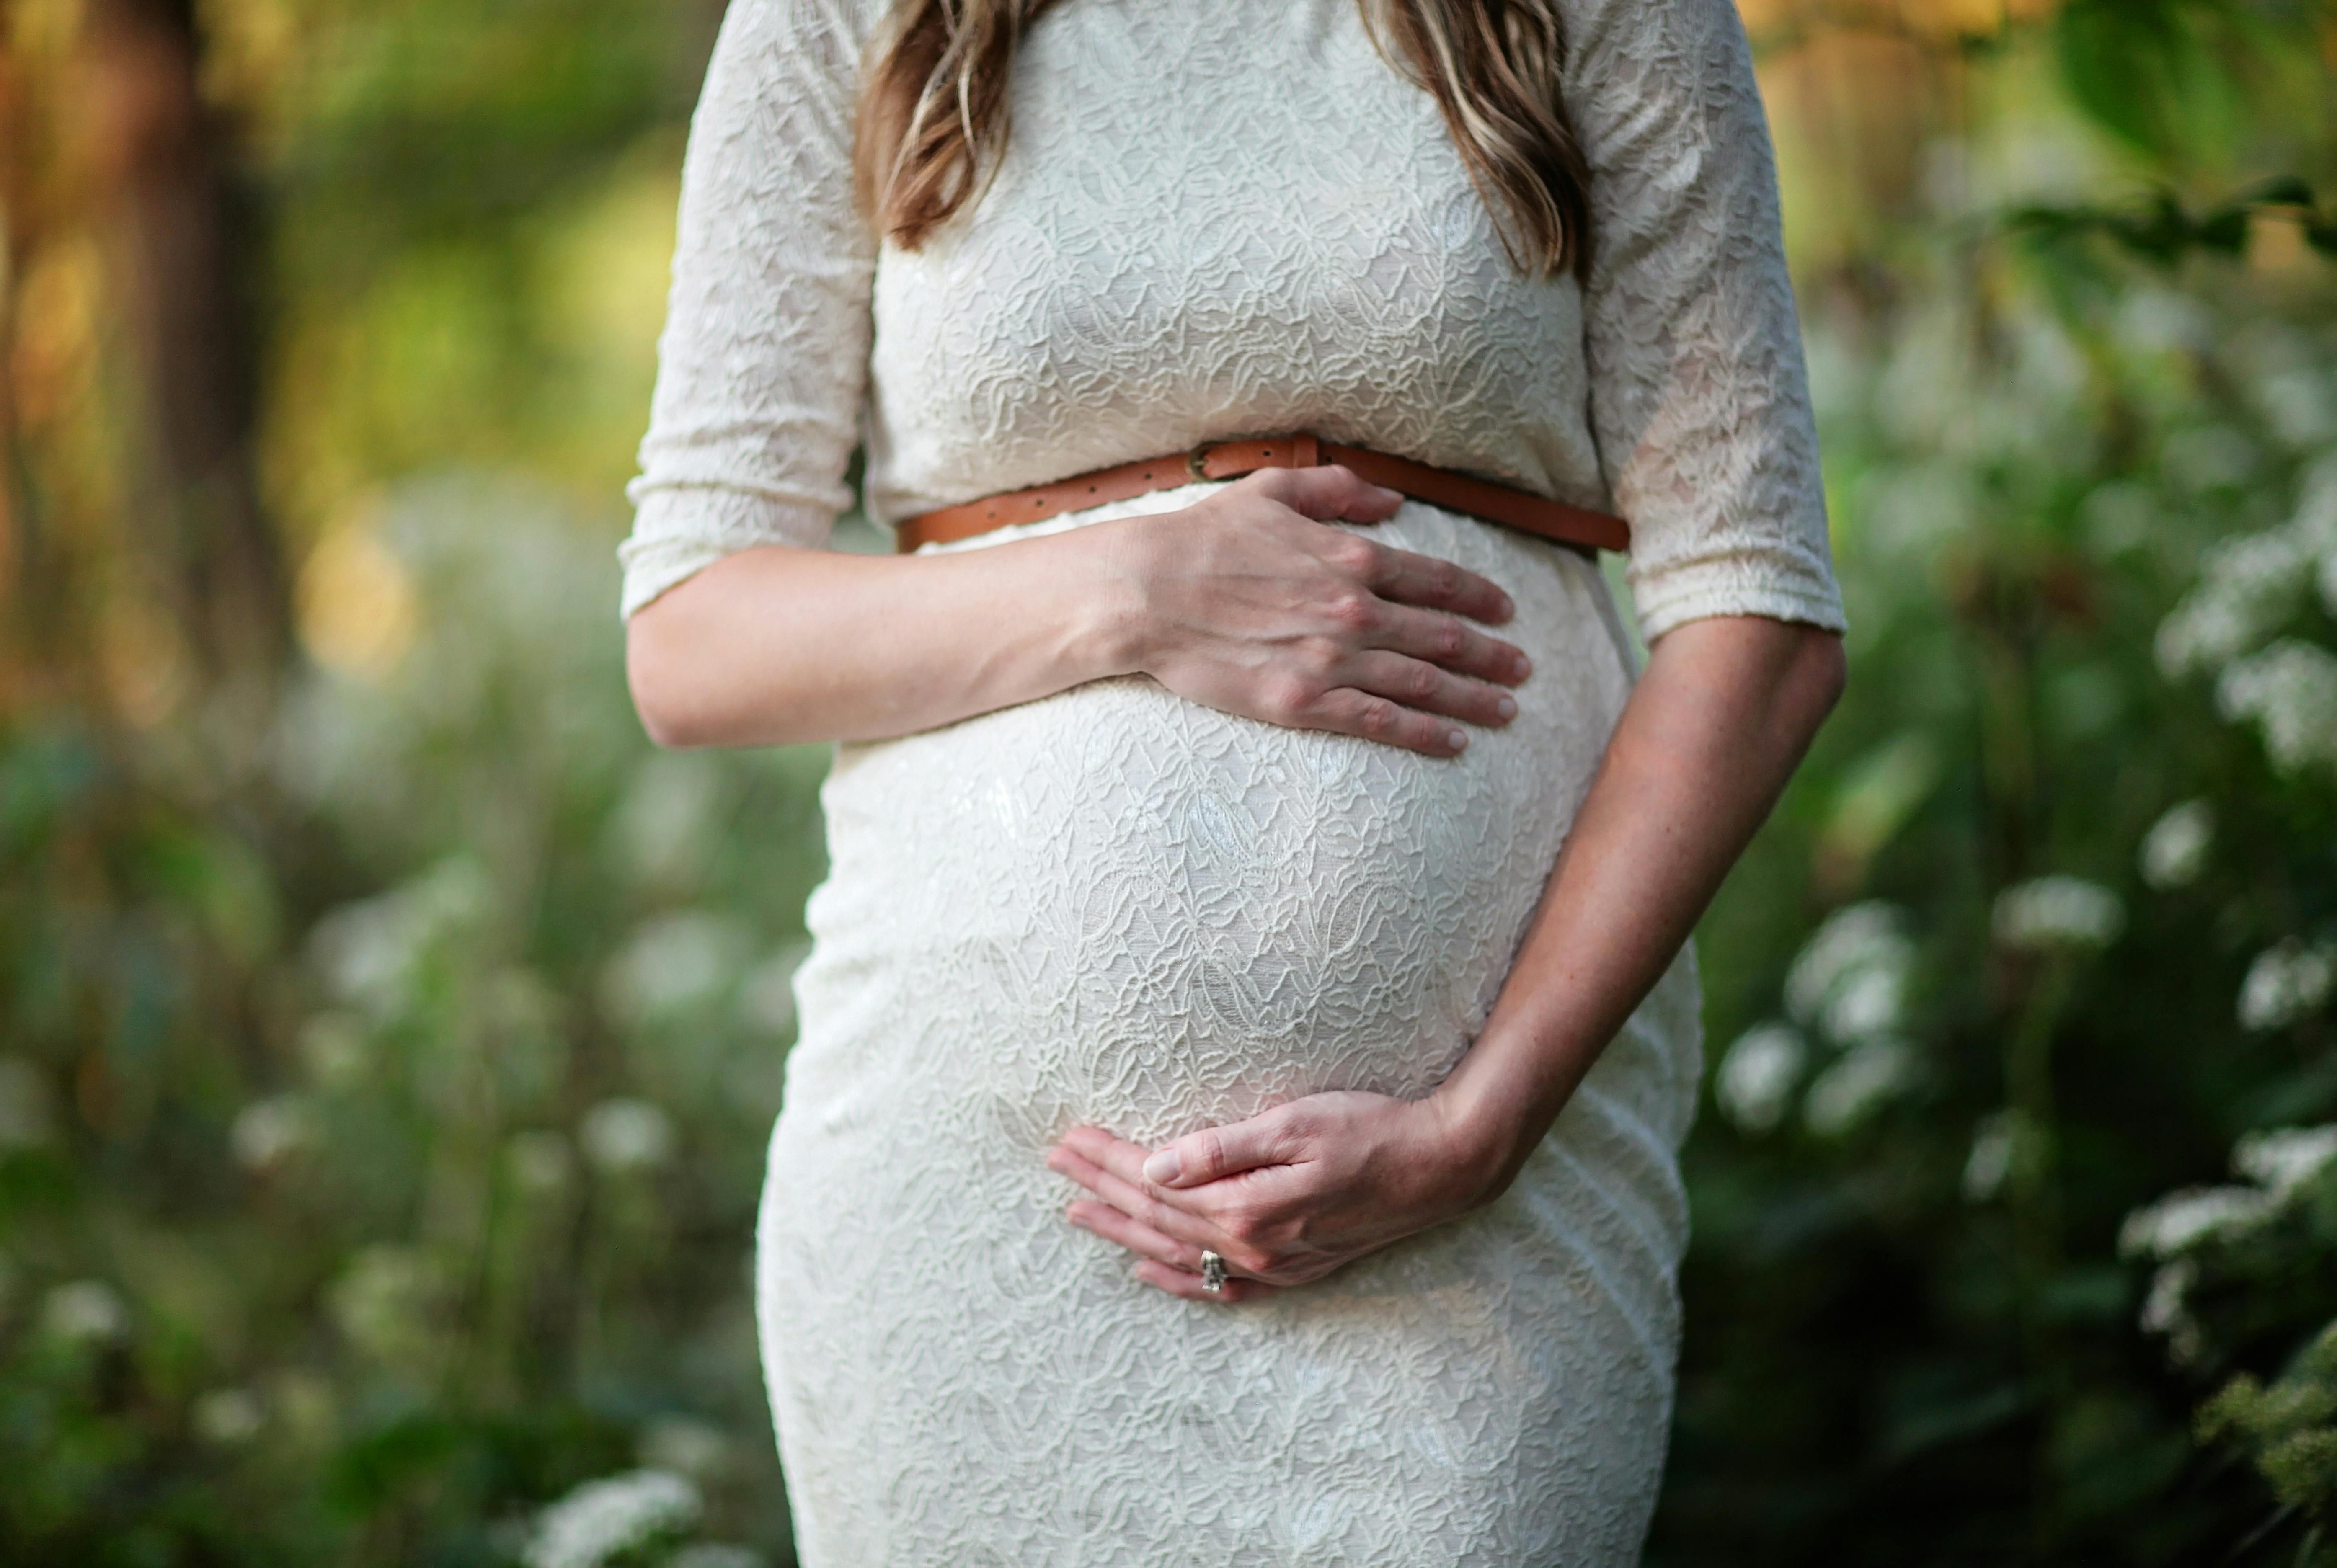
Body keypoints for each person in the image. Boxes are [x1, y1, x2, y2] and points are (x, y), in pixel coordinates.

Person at [617, 0, 1846, 1560]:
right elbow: (694, 636)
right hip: (968, 1214)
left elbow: (1761, 614)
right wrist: (1135, 592)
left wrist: (1478, 1128)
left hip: (1483, 1219)